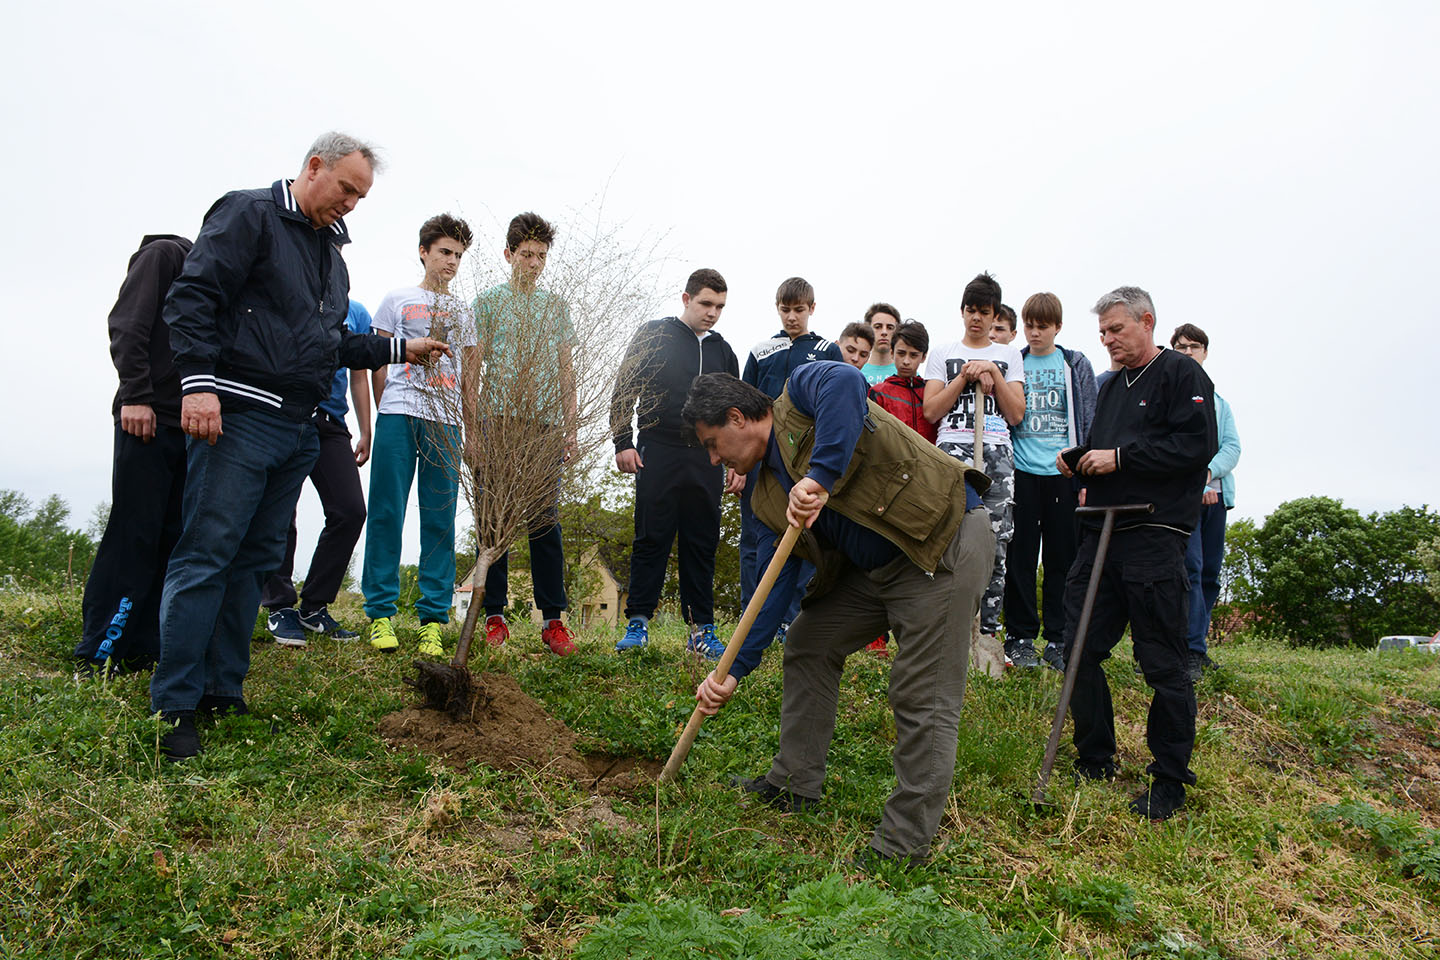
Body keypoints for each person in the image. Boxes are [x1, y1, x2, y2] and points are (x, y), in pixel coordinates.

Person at [154, 132, 451, 761]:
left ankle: (221, 689)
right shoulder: (249, 215)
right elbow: (192, 298)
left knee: (253, 560)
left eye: (362, 196)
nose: (351, 203)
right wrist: (199, 386)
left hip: (299, 427)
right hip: (236, 416)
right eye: (346, 188)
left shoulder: (331, 258)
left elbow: (331, 343)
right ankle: (174, 706)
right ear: (313, 167)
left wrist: (402, 349)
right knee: (207, 554)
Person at [683, 364, 993, 866]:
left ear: (737, 418)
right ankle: (795, 783)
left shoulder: (800, 395)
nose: (716, 459)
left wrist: (820, 476)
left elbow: (847, 385)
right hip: (876, 573)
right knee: (809, 642)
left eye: (714, 444)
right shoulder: (763, 495)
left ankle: (902, 845)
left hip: (941, 543)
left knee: (922, 694)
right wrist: (732, 671)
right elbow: (772, 585)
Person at [1056, 286, 1217, 821]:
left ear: (1146, 321)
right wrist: (1080, 458)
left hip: (1154, 532)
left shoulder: (1182, 374)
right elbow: (1108, 453)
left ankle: (1169, 779)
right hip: (1099, 532)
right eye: (1101, 332)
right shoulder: (1110, 387)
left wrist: (1119, 458)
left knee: (1164, 663)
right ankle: (1095, 756)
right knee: (1076, 647)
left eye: (1116, 330)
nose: (1107, 340)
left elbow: (1195, 446)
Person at [76, 234, 193, 675]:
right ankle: (101, 648)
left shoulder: (223, 277)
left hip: (191, 426)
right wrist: (136, 395)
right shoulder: (166, 255)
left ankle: (144, 646)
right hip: (146, 417)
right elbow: (128, 323)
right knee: (135, 533)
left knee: (173, 535)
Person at [362, 214, 476, 658]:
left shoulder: (464, 313)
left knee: (439, 518)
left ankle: (432, 618)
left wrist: (473, 430)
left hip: (445, 422)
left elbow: (470, 376)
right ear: (424, 251)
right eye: (445, 252)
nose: (451, 261)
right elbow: (376, 358)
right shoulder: (397, 298)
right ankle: (381, 613)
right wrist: (378, 415)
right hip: (398, 412)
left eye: (459, 256)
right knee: (386, 511)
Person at [610, 268, 740, 654]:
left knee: (702, 542)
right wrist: (623, 441)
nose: (712, 312)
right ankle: (638, 624)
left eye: (719, 306)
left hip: (706, 457)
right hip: (658, 448)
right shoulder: (655, 334)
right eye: (705, 303)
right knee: (651, 537)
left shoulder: (723, 350)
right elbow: (624, 388)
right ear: (686, 299)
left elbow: (736, 411)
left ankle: (701, 629)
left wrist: (735, 462)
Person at [465, 212, 578, 656]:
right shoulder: (488, 302)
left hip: (545, 426)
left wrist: (569, 427)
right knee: (492, 521)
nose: (533, 263)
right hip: (498, 422)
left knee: (544, 520)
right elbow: (472, 369)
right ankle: (494, 615)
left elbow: (566, 370)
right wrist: (472, 431)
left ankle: (553, 621)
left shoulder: (556, 307)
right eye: (526, 254)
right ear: (509, 254)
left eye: (541, 256)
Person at [922, 273, 1027, 665]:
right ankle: (944, 629)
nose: (976, 319)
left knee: (995, 542)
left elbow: (1016, 412)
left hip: (997, 452)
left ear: (995, 313)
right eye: (971, 311)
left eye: (985, 312)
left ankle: (987, 635)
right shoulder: (943, 352)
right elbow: (931, 410)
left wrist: (994, 374)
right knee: (945, 536)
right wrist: (963, 376)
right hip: (952, 450)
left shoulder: (1010, 355)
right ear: (962, 311)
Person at [261, 299, 374, 647]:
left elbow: (358, 376)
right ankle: (280, 606)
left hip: (331, 422)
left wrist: (365, 428)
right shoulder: (291, 299)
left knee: (350, 510)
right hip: (287, 416)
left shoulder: (356, 312)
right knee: (282, 514)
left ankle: (314, 607)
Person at [737, 277, 840, 637]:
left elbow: (834, 406)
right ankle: (751, 617)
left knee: (804, 535)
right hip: (762, 460)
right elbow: (742, 409)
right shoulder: (761, 350)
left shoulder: (828, 349)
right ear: (776, 308)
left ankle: (795, 621)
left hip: (805, 462)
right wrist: (736, 468)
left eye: (799, 310)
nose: (792, 317)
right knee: (754, 536)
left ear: (812, 308)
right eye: (785, 309)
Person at [1003, 293, 1097, 672]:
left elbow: (1091, 417)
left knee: (1064, 558)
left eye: (1043, 325)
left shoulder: (1075, 364)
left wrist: (1086, 472)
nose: (1035, 332)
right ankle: (1020, 637)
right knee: (1020, 556)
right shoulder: (1016, 362)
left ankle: (1059, 638)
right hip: (1022, 471)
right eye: (1029, 325)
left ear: (1057, 327)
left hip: (1064, 473)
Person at [1170, 324, 1240, 680]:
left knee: (1211, 573)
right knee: (1190, 569)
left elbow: (1232, 447)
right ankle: (1190, 649)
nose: (1187, 353)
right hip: (1183, 499)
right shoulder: (1170, 395)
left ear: (1205, 352)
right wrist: (1195, 482)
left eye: (1193, 347)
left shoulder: (1219, 402)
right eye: (1180, 347)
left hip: (1217, 497)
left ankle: (1198, 644)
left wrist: (1208, 475)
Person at [860, 303, 900, 386]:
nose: (884, 332)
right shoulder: (857, 370)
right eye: (878, 327)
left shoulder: (906, 372)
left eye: (890, 328)